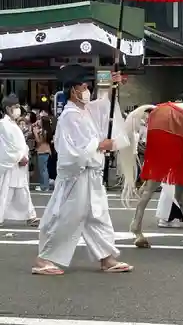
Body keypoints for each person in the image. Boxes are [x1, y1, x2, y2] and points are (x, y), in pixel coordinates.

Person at [33, 65, 132, 275]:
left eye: (87, 85)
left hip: (91, 175)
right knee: (67, 216)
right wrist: (99, 145)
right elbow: (73, 150)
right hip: (76, 175)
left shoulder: (84, 111)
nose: (86, 89)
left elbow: (104, 107)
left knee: (97, 215)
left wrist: (112, 87)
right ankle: (44, 259)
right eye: (82, 85)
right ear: (73, 90)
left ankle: (106, 258)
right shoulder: (70, 115)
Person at [0, 94, 39, 228]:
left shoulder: (12, 125)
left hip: (19, 164)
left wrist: (23, 156)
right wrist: (18, 157)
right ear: (7, 108)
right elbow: (5, 147)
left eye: (18, 106)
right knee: (6, 191)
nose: (17, 109)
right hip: (11, 164)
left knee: (22, 191)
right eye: (15, 107)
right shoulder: (4, 124)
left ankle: (31, 216)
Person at [33, 116, 53, 192]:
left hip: (43, 151)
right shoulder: (45, 130)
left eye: (40, 121)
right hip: (46, 151)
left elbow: (39, 141)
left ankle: (44, 186)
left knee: (43, 170)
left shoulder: (43, 131)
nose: (39, 122)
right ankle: (43, 185)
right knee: (43, 169)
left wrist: (35, 133)